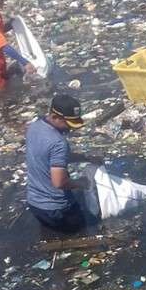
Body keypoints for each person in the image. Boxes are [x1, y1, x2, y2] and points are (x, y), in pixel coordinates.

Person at [26, 95, 101, 233]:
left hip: (34, 203)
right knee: (82, 233)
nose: (70, 129)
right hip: (57, 208)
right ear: (55, 117)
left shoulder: (35, 126)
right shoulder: (58, 142)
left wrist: (86, 158)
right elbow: (59, 182)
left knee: (51, 233)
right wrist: (82, 183)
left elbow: (50, 156)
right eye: (68, 124)